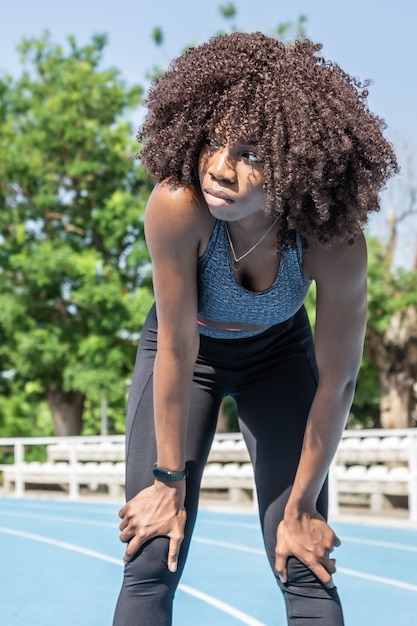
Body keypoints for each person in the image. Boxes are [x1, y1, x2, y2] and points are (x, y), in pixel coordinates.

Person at [113, 32, 397, 626]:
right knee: (151, 554)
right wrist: (169, 481)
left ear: (298, 166)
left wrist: (300, 506)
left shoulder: (332, 241)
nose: (220, 168)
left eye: (253, 154)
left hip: (278, 359)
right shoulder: (177, 205)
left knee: (303, 559)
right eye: (214, 142)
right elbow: (177, 343)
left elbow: (339, 380)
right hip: (185, 354)